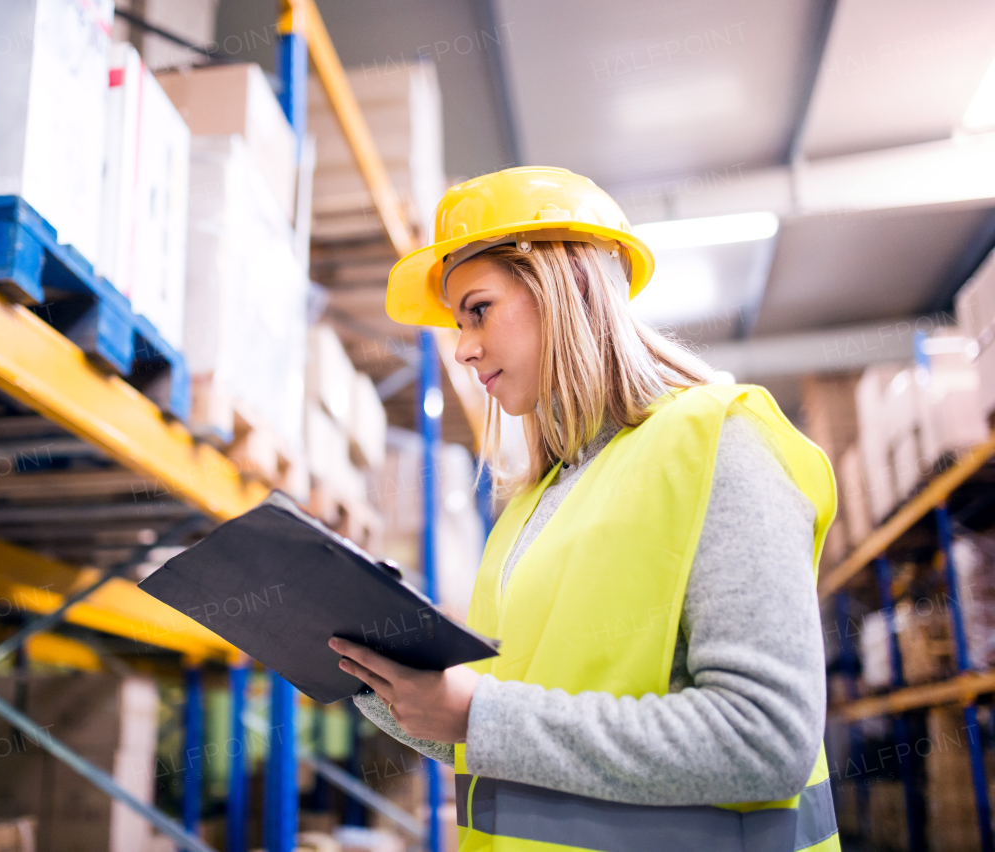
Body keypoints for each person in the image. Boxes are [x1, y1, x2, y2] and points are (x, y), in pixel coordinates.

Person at [327, 167, 840, 852]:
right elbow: (505, 733)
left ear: (563, 286)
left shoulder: (719, 441)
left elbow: (765, 737)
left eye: (477, 309)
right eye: (457, 322)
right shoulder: (529, 508)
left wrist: (477, 714)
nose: (463, 346)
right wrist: (372, 679)